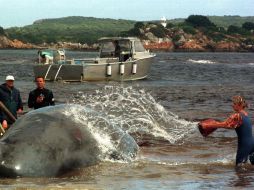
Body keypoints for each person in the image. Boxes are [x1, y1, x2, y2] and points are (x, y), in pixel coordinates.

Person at [199, 96, 254, 166]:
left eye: (234, 104)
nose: (232, 105)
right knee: (250, 168)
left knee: (239, 168)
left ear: (239, 105)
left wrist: (208, 125)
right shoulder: (245, 114)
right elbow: (228, 124)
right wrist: (215, 123)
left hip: (245, 145)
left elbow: (225, 125)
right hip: (252, 144)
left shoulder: (237, 115)